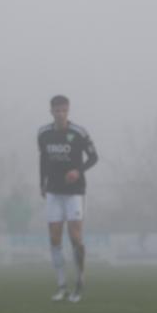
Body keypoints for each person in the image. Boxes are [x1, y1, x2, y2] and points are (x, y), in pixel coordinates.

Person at [38, 95, 98, 302]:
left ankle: (79, 282)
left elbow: (94, 157)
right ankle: (62, 285)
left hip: (74, 192)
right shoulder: (43, 134)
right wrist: (42, 183)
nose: (60, 114)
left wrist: (77, 171)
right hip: (54, 191)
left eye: (64, 110)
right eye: (57, 110)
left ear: (68, 111)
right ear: (51, 111)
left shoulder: (78, 133)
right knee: (54, 238)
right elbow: (43, 160)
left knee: (75, 236)